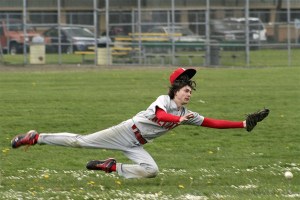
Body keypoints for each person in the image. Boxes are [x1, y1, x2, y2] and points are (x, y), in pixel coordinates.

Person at [11, 68, 269, 179]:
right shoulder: (163, 101)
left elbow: (212, 122)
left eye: (190, 90)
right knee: (80, 142)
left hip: (137, 143)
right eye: (185, 88)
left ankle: (113, 167)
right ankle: (36, 137)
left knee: (151, 171)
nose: (189, 92)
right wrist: (180, 119)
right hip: (125, 131)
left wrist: (242, 124)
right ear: (175, 90)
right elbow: (160, 117)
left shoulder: (187, 113)